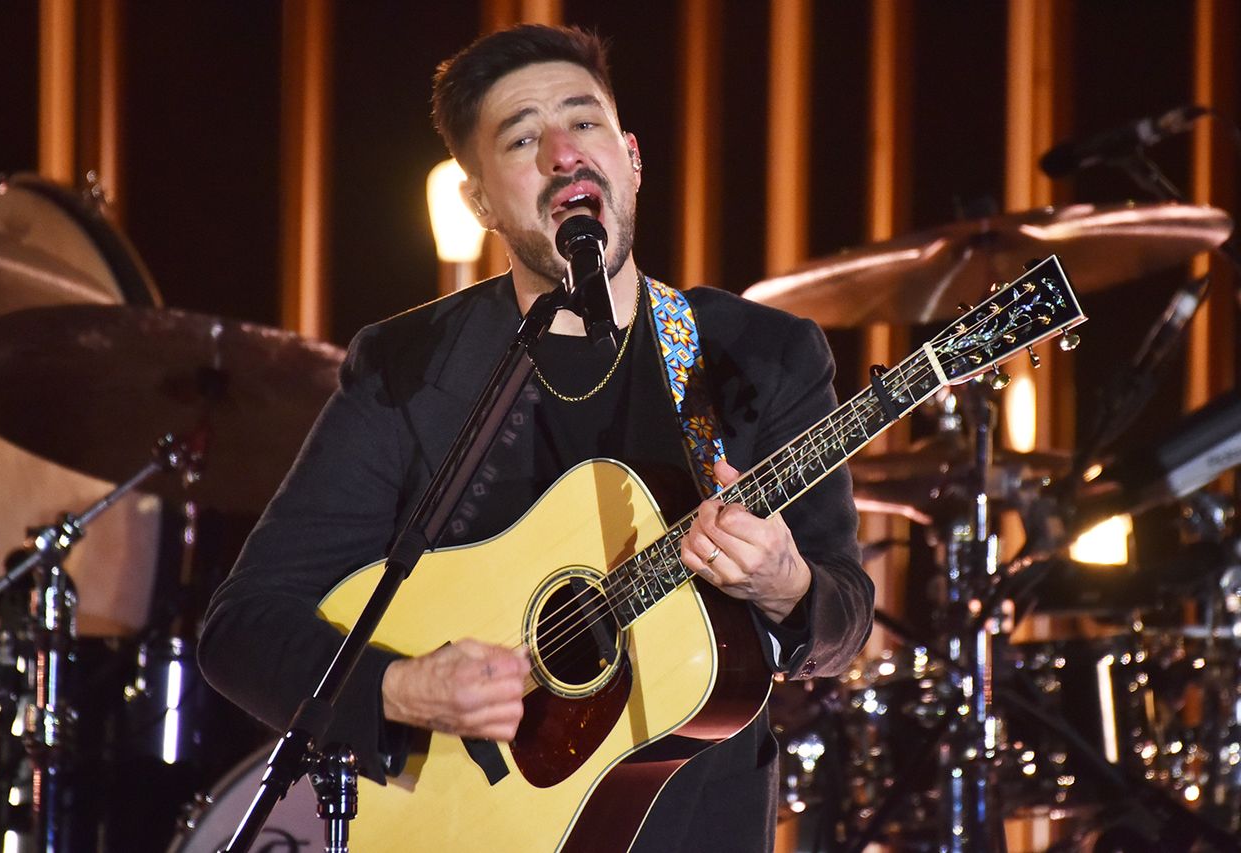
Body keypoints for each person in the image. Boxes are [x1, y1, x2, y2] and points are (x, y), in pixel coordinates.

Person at [199, 23, 873, 852]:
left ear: (630, 157)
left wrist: (785, 582)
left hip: (696, 822)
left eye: (584, 123)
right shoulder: (408, 367)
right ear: (479, 200)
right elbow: (245, 625)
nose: (564, 153)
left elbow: (843, 618)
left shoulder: (760, 355)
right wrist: (403, 687)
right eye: (522, 137)